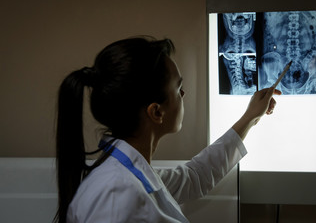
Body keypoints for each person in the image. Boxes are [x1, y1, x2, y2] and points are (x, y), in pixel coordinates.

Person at [54, 36, 280, 223]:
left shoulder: (130, 173)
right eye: (178, 87)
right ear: (156, 112)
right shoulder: (116, 196)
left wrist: (250, 117)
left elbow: (195, 177)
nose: (183, 95)